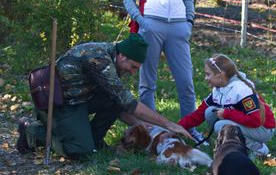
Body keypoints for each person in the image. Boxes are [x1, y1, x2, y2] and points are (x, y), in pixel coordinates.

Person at [16, 33, 192, 159]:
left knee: (114, 102)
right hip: (60, 104)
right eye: (132, 67)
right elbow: (129, 103)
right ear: (122, 56)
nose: (131, 72)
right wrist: (169, 124)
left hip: (81, 98)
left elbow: (121, 106)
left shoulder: (115, 57)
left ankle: (93, 140)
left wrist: (150, 129)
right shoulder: (99, 58)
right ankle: (32, 132)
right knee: (80, 151)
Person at [123, 0, 204, 142]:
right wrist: (142, 21)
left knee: (186, 82)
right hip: (151, 24)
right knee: (147, 83)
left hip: (179, 27)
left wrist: (189, 22)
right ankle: (152, 131)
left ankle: (190, 130)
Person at [178, 54, 276, 156]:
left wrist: (227, 114)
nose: (205, 78)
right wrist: (177, 127)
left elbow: (255, 120)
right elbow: (199, 114)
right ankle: (230, 144)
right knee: (209, 112)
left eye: (208, 74)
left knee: (221, 125)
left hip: (263, 129)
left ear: (220, 75)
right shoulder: (219, 89)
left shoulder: (241, 90)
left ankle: (257, 148)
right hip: (250, 124)